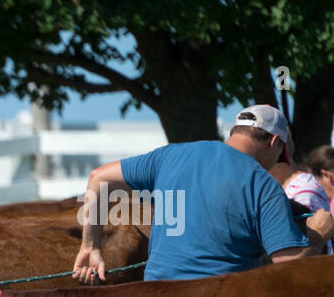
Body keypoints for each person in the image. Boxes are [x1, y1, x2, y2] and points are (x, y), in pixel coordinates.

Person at [73, 104, 334, 283]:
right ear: (275, 143)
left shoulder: (171, 155)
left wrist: (90, 246)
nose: (276, 164)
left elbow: (99, 178)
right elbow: (289, 264)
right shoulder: (263, 185)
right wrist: (318, 234)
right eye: (280, 157)